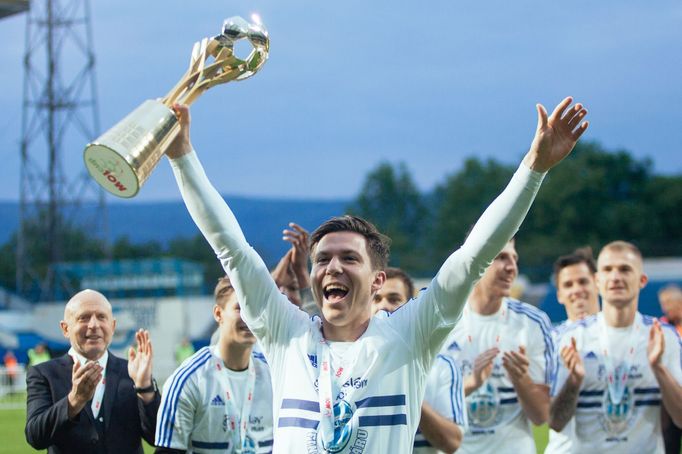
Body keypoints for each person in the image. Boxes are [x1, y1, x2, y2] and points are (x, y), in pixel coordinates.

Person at [165, 96, 588, 452]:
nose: (332, 266)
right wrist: (183, 156)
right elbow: (232, 249)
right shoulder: (286, 336)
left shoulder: (408, 336)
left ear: (378, 280)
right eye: (322, 259)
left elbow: (472, 257)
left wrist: (534, 169)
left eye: (349, 258)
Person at [549, 241, 682, 452]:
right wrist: (573, 382)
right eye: (608, 270)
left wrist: (659, 368)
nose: (616, 277)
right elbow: (555, 422)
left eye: (625, 269)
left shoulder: (662, 336)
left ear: (642, 280)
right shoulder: (573, 338)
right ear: (598, 281)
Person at [440, 239, 554, 453]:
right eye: (501, 257)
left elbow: (541, 416)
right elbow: (426, 404)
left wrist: (522, 380)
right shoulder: (442, 322)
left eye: (514, 258)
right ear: (474, 262)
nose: (511, 267)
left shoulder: (532, 323)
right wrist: (471, 383)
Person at [25, 289, 160, 453]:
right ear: (65, 328)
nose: (94, 325)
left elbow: (157, 437)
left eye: (102, 317)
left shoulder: (133, 372)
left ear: (113, 325)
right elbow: (36, 437)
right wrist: (73, 402)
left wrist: (145, 388)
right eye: (84, 317)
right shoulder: (44, 374)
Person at [155, 276, 273, 453]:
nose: (250, 316)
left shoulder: (275, 374)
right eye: (240, 308)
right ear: (218, 314)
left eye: (256, 308)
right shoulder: (189, 380)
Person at [373, 267, 465, 453]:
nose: (383, 305)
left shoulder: (442, 366)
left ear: (410, 307)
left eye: (394, 299)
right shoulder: (349, 360)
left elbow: (452, 443)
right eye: (376, 298)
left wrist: (409, 390)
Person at [545, 247, 600, 454]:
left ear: (597, 283)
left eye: (583, 281)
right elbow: (550, 418)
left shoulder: (621, 335)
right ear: (559, 295)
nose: (576, 290)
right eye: (568, 285)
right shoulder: (550, 340)